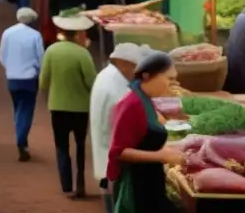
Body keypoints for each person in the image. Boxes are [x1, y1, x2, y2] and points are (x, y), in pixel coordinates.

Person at [107, 51, 183, 213]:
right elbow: (118, 151)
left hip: (150, 179)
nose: (173, 83)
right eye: (169, 79)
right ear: (148, 76)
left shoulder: (145, 99)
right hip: (137, 185)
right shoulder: (132, 104)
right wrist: (161, 156)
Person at [40, 13, 98, 198]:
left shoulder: (51, 51)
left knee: (62, 147)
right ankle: (80, 184)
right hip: (81, 108)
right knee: (80, 146)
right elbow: (92, 82)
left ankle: (66, 186)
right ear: (78, 33)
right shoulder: (83, 53)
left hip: (57, 107)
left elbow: (43, 81)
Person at [90, 43, 149, 210]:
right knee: (116, 201)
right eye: (134, 67)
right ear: (122, 63)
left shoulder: (110, 76)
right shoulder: (113, 84)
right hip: (112, 154)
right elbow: (125, 120)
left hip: (108, 150)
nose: (136, 73)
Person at [0, 7, 45, 161]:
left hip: (12, 77)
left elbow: (2, 56)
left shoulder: (7, 33)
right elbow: (41, 58)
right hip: (29, 78)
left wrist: (10, 67)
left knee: (18, 109)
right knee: (26, 110)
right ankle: (21, 139)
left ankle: (22, 139)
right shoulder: (35, 35)